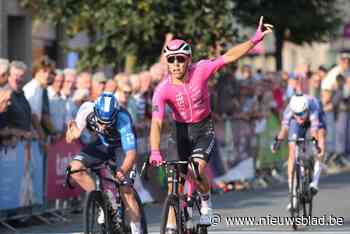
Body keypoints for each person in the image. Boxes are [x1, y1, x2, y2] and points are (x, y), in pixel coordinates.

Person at [149, 16, 273, 231]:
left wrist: (254, 41)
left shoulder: (202, 69)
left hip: (202, 128)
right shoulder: (162, 89)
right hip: (179, 131)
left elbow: (229, 56)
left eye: (180, 59)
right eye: (171, 60)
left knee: (196, 171)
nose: (176, 64)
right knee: (174, 184)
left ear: (188, 60)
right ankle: (171, 226)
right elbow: (157, 123)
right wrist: (154, 150)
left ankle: (205, 199)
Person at [66, 92, 142, 234]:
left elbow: (131, 154)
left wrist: (122, 171)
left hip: (122, 148)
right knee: (74, 169)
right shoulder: (87, 109)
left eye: (108, 124)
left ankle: (137, 230)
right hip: (102, 144)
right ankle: (102, 203)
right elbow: (70, 137)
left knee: (126, 190)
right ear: (95, 112)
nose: (103, 127)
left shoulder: (123, 118)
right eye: (100, 122)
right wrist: (71, 132)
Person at [271, 94, 326, 210]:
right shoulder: (289, 111)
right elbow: (284, 130)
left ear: (306, 109)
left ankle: (314, 183)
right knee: (292, 150)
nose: (299, 117)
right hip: (297, 120)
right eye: (296, 114)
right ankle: (294, 196)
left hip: (316, 117)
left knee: (320, 138)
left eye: (302, 113)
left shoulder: (313, 107)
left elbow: (314, 131)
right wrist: (277, 142)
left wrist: (316, 145)